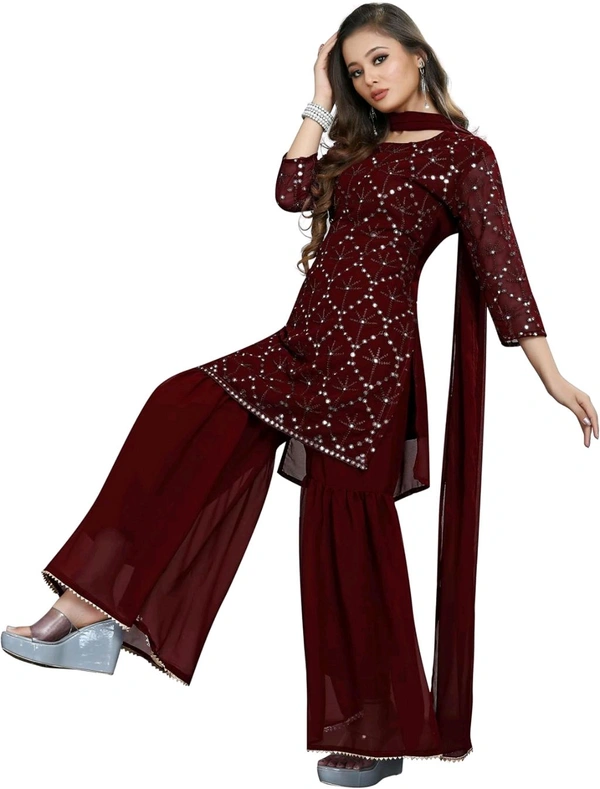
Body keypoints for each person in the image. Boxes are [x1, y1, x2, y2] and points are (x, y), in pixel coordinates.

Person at [2, 3, 597, 787]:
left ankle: (379, 732)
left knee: (345, 537)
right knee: (179, 407)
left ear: (418, 54)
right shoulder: (361, 147)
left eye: (379, 59)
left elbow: (502, 267)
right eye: (354, 69)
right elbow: (289, 191)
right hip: (300, 349)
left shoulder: (465, 156)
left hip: (369, 369)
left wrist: (552, 376)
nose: (369, 78)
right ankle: (93, 610)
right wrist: (318, 99)